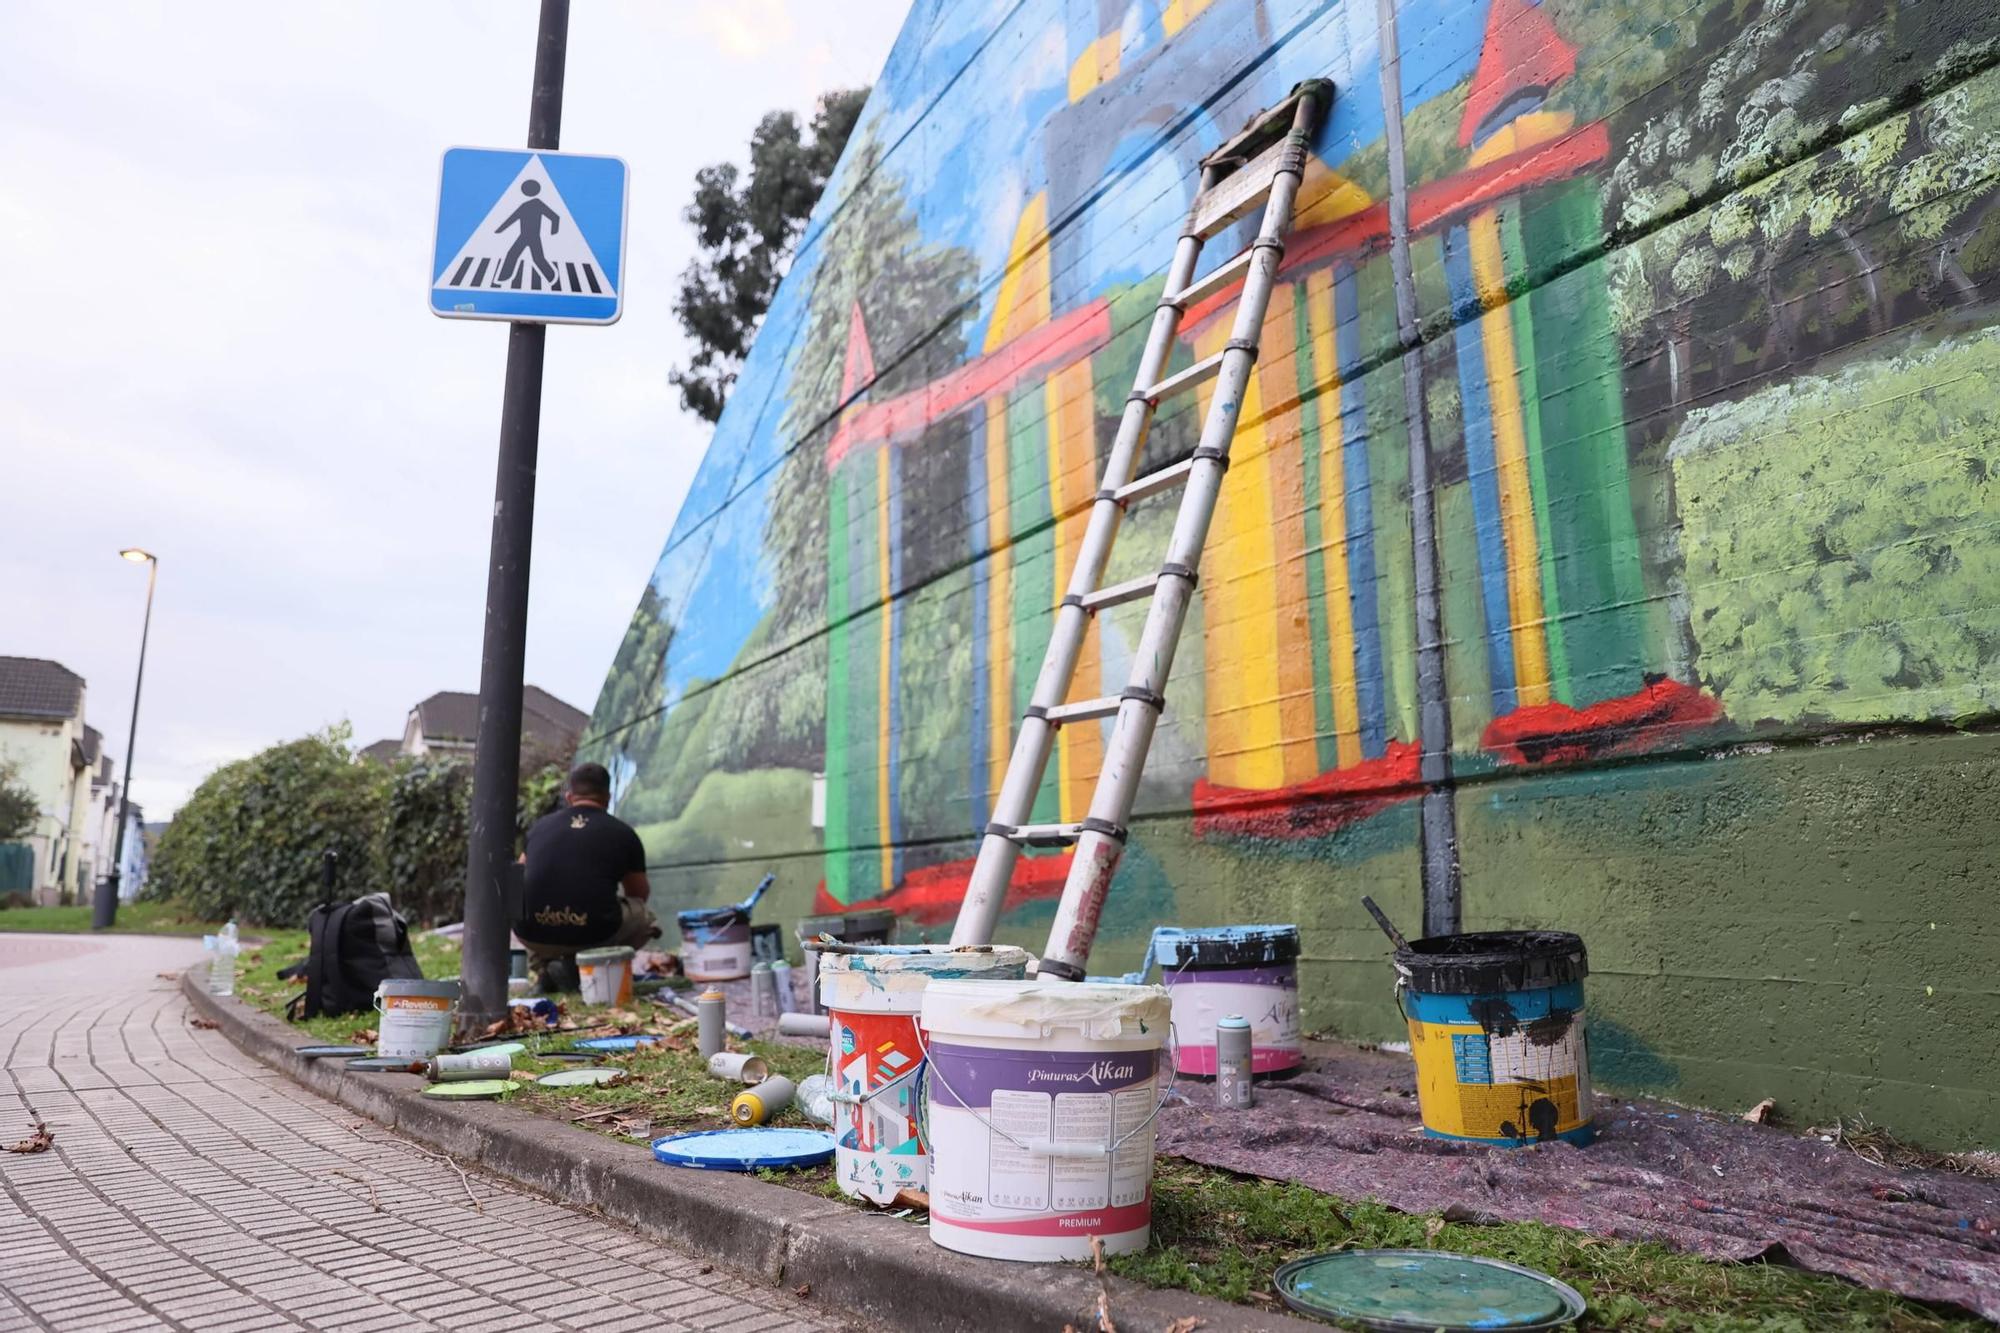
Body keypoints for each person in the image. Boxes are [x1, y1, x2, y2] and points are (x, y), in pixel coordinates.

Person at [514, 762, 657, 992]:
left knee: (524, 904)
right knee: (645, 917)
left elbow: (517, 882)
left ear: (570, 797)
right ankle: (577, 966)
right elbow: (639, 893)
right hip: (594, 933)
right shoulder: (623, 833)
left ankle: (546, 969)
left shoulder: (539, 827)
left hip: (532, 933)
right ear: (608, 798)